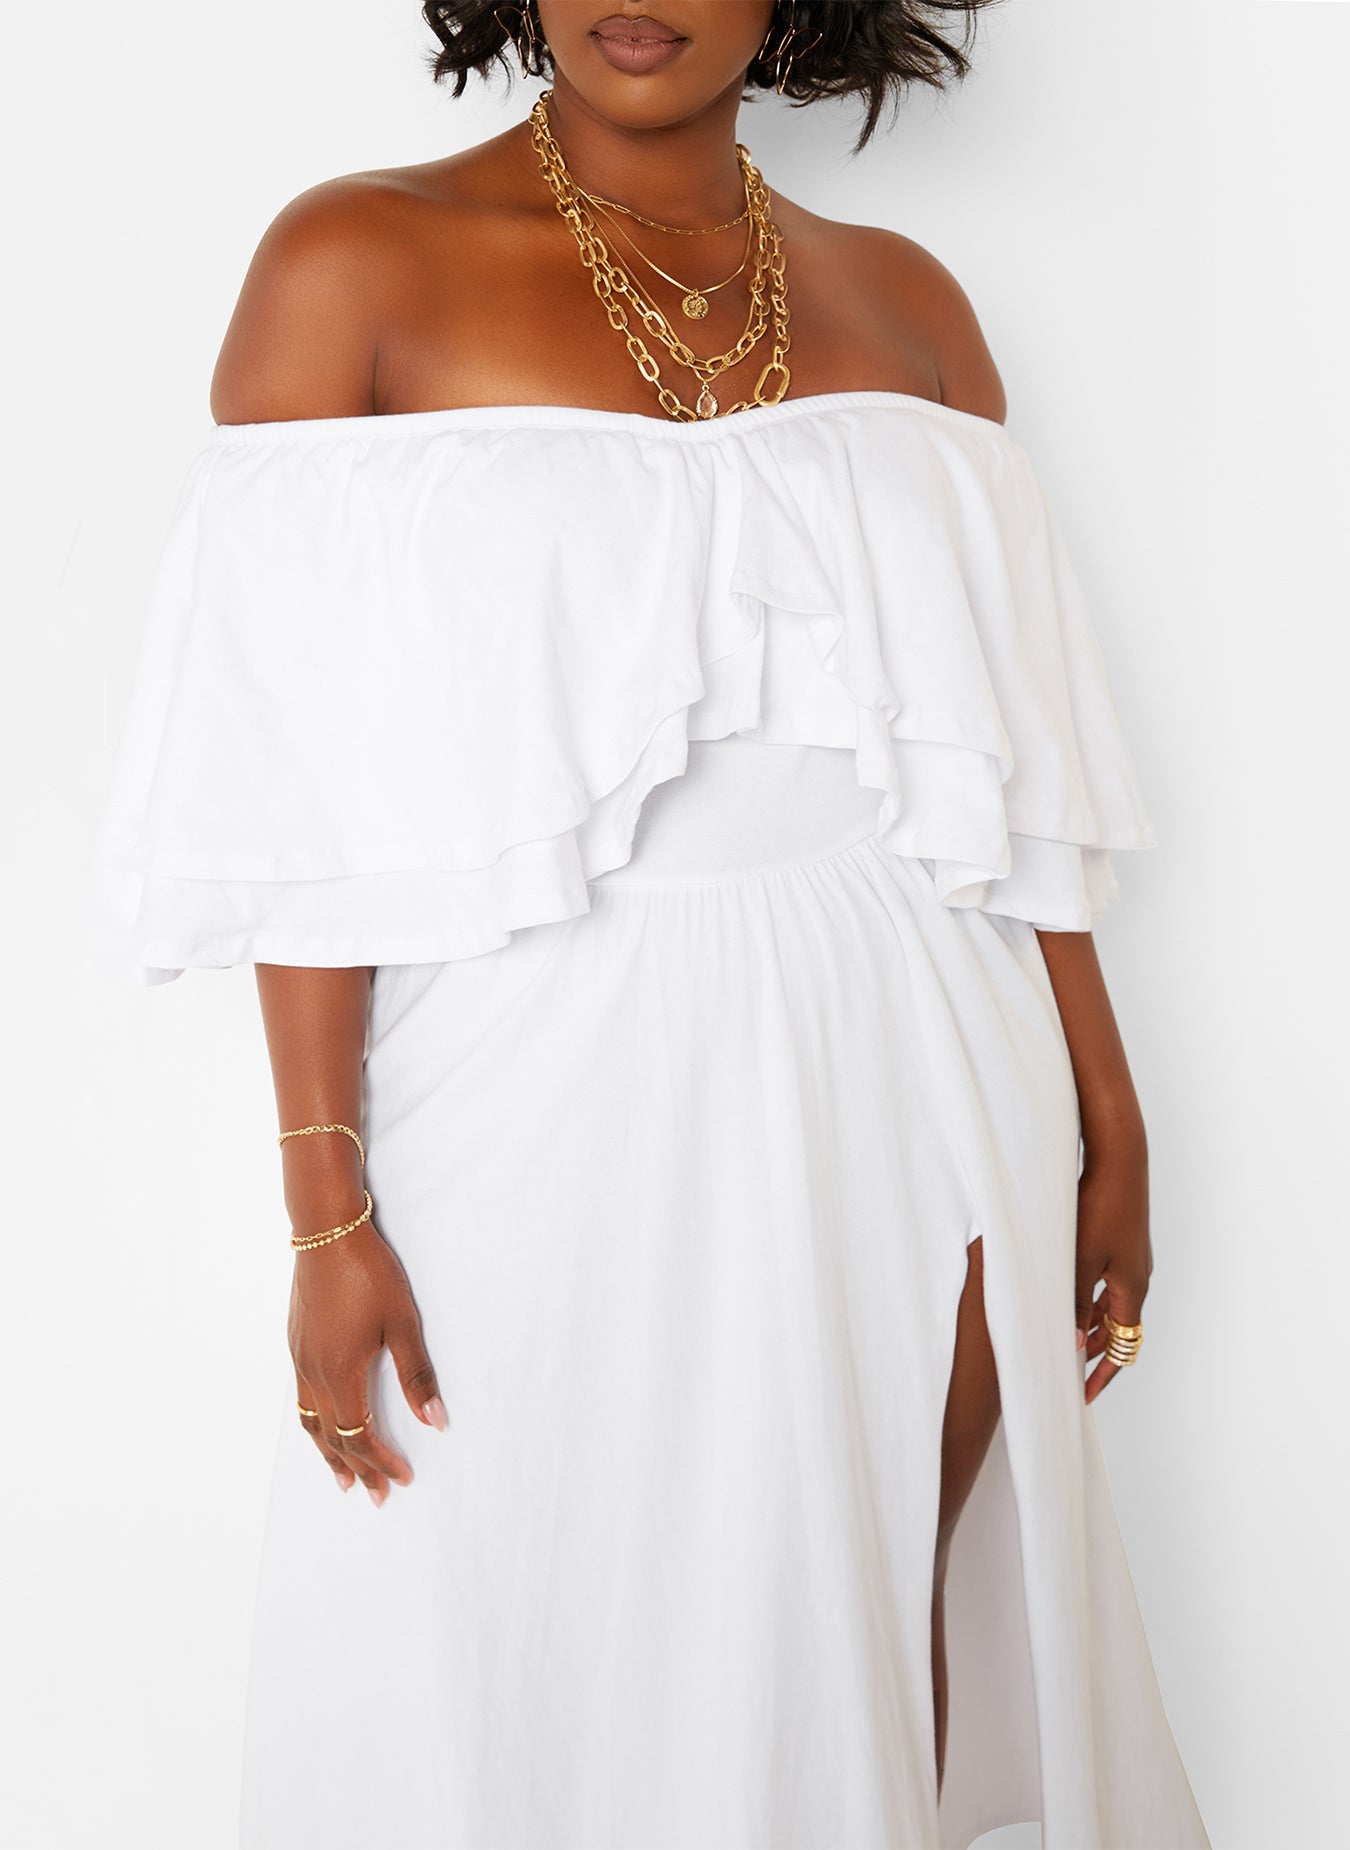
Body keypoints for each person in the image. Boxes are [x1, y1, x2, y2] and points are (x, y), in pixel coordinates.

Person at [87, 3, 1213, 1845]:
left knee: (858, 1624)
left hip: (920, 1051)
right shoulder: (351, 262)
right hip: (533, 1062)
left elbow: (1008, 770)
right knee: (506, 1628)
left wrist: (1107, 1104)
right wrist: (324, 1204)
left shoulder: (909, 305)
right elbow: (300, 794)